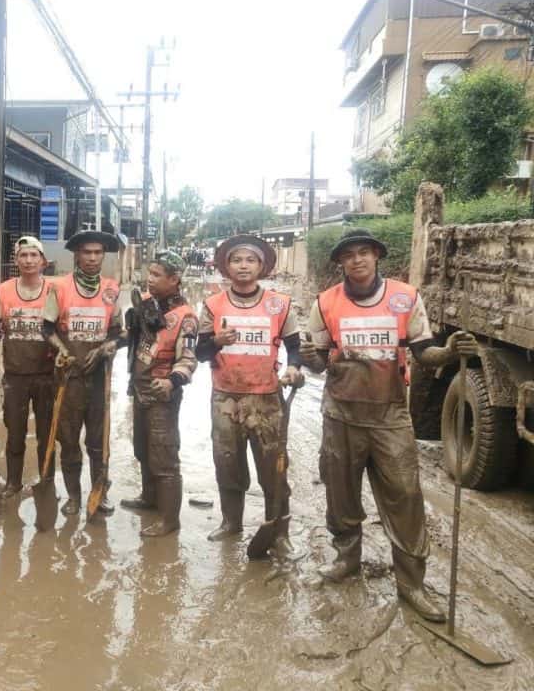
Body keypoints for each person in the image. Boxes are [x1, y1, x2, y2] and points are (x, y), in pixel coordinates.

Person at [300, 228, 478, 622]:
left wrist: (448, 351)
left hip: (391, 415)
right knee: (341, 493)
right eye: (349, 255)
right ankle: (347, 559)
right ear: (341, 263)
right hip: (340, 415)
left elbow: (423, 354)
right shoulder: (324, 303)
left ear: (377, 256)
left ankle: (411, 583)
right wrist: (310, 356)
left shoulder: (404, 298)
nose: (357, 260)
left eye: (365, 252)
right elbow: (318, 364)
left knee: (405, 498)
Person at [195, 234, 302, 558]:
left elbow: (294, 348)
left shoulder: (279, 304)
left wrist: (295, 369)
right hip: (225, 398)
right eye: (237, 260)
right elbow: (199, 353)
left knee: (274, 468)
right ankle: (232, 523)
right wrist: (216, 341)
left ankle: (280, 532)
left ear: (261, 266)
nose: (243, 266)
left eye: (250, 260)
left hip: (268, 398)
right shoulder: (213, 305)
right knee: (227, 463)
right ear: (226, 266)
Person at [42, 230, 123, 515]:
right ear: (76, 255)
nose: (92, 258)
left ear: (103, 255)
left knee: (98, 441)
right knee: (68, 438)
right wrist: (61, 350)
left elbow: (118, 334)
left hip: (99, 377)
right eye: (86, 252)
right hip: (69, 377)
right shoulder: (60, 287)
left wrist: (105, 349)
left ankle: (99, 493)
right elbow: (46, 329)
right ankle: (74, 496)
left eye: (97, 253)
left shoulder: (112, 289)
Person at [121, 250, 197, 536]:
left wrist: (172, 382)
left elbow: (189, 359)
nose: (148, 279)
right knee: (142, 449)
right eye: (148, 273)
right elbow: (136, 342)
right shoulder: (148, 305)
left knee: (164, 457)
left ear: (174, 279)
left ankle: (169, 520)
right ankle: (148, 497)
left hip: (162, 394)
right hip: (139, 389)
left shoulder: (186, 317)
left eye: (156, 275)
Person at [0, 236, 56, 496]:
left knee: (47, 432)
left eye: (34, 255)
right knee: (15, 429)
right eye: (24, 255)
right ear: (16, 260)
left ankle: (46, 482)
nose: (29, 260)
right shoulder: (6, 290)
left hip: (47, 374)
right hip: (15, 375)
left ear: (43, 261)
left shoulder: (55, 290)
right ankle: (13, 482)